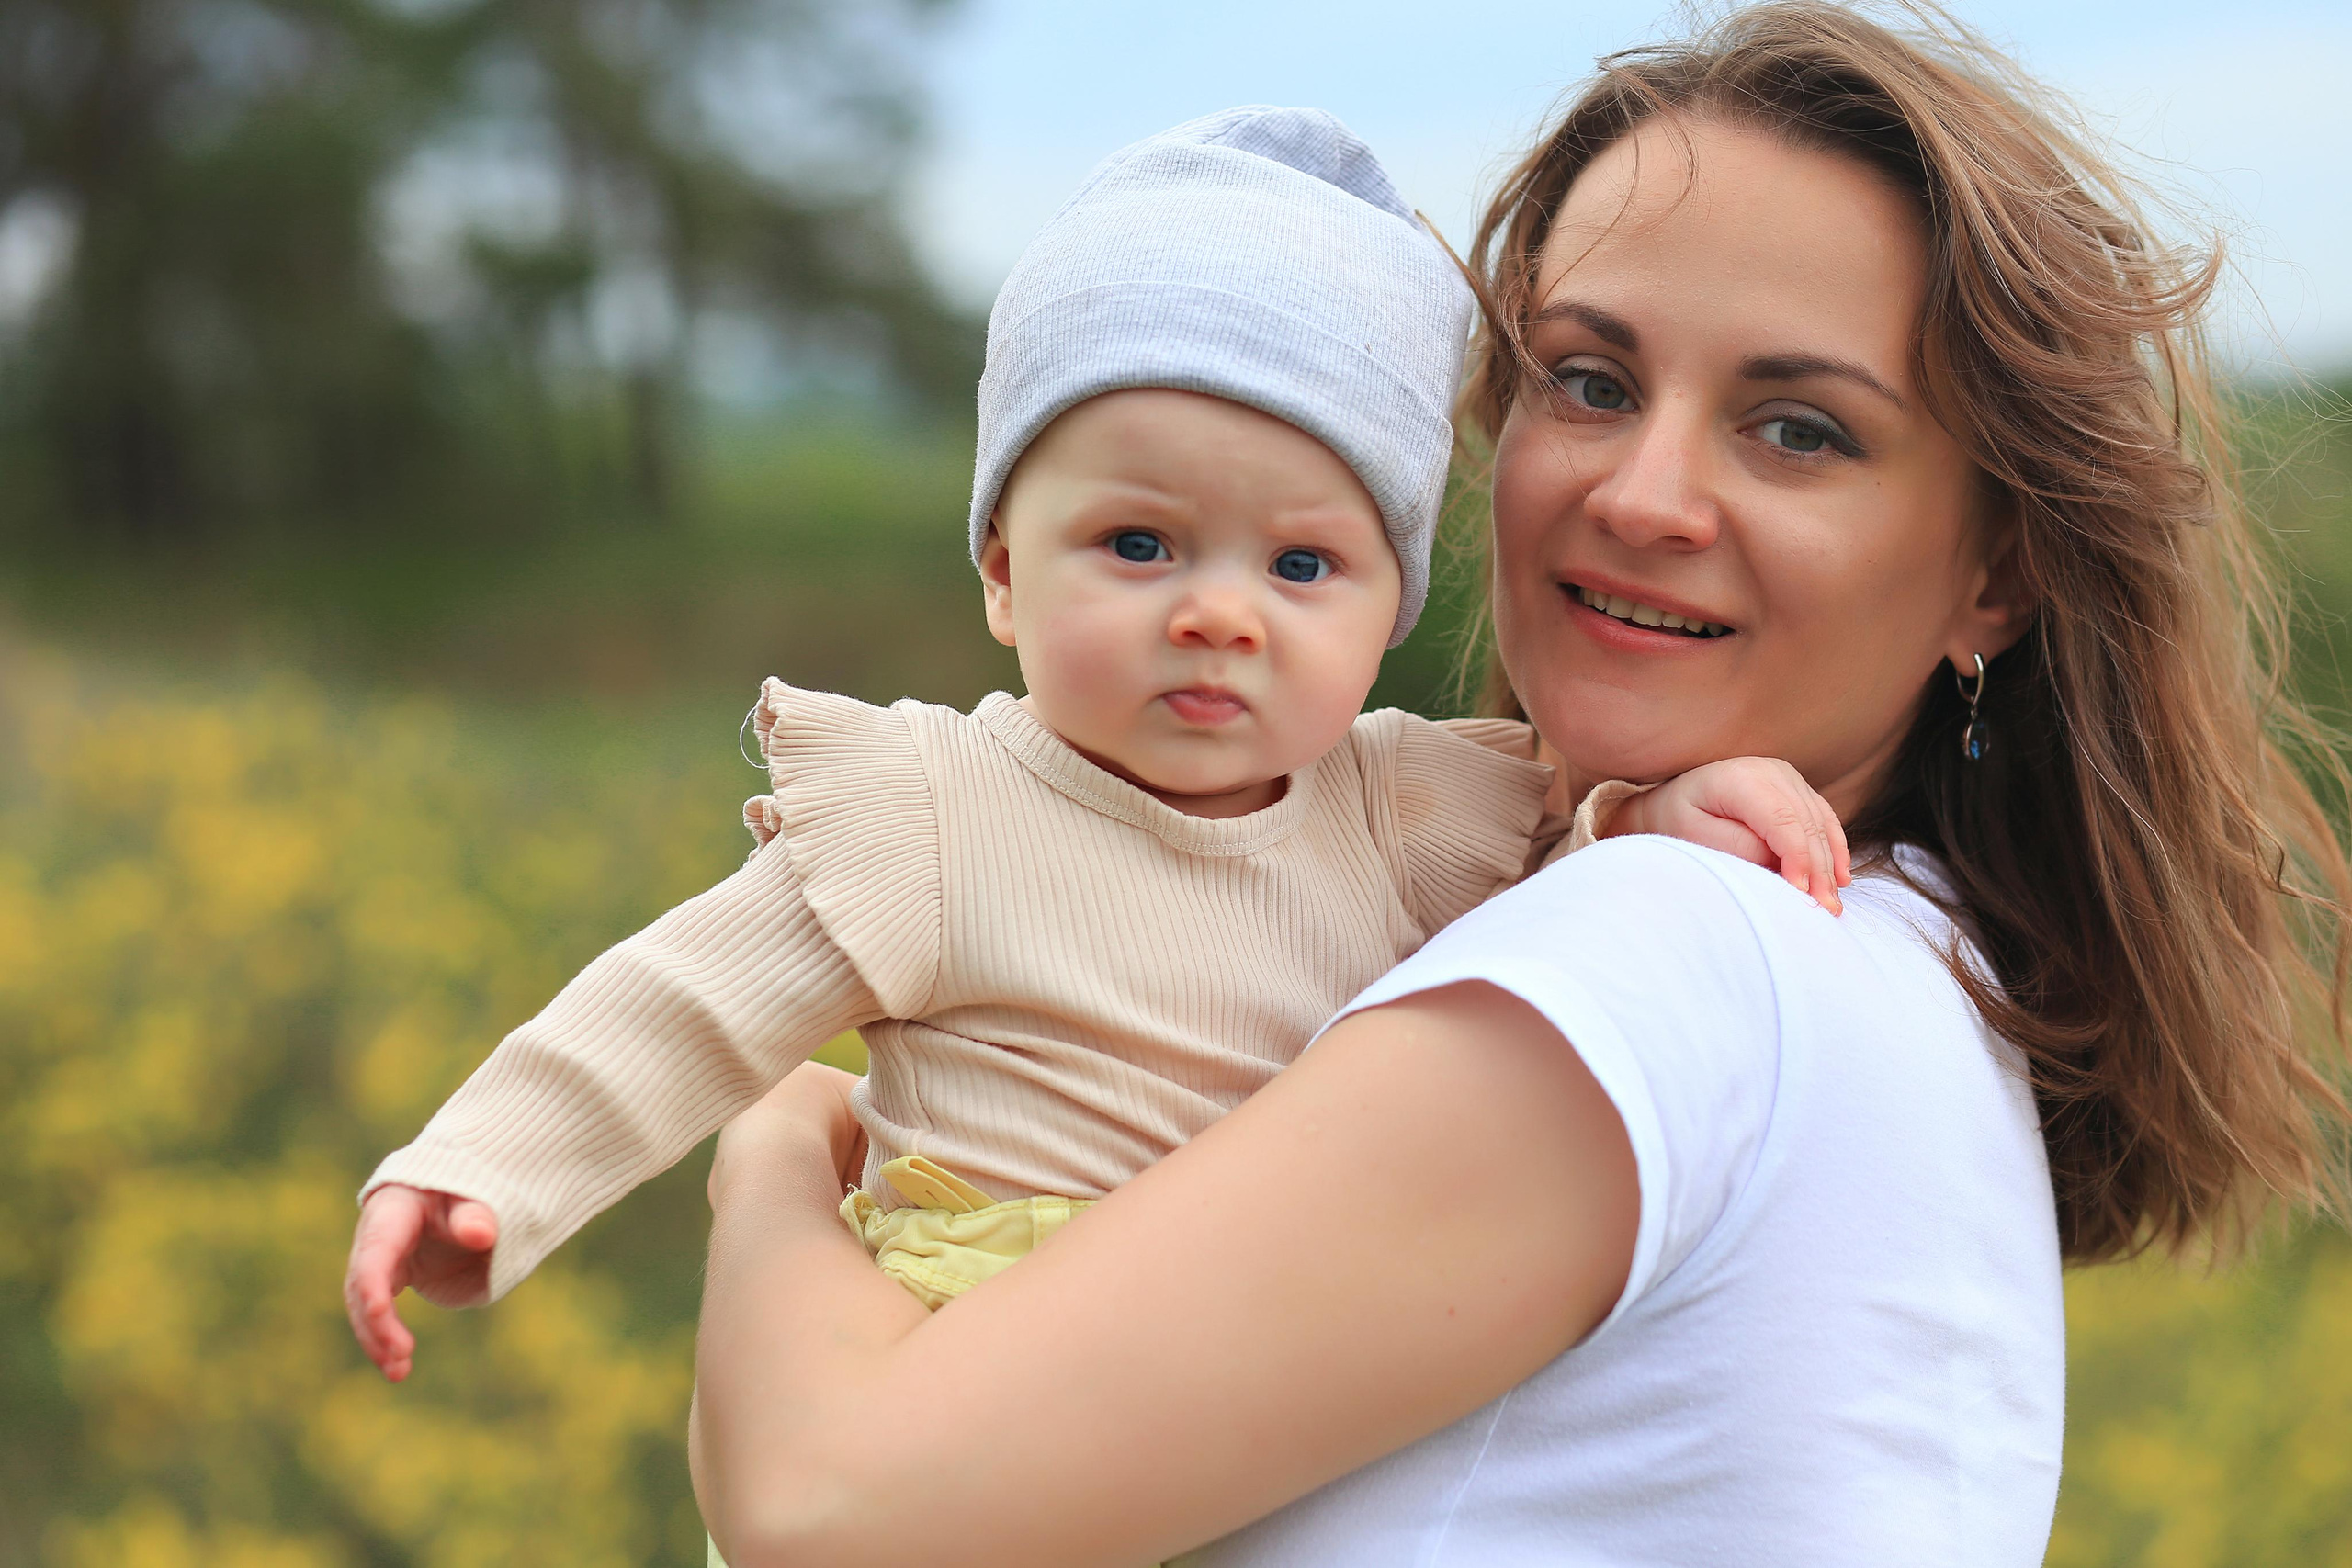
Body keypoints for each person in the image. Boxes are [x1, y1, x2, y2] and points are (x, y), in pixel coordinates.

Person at [685, 5, 2352, 1565]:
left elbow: (830, 1512)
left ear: (1997, 571)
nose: (1641, 494)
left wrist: (782, 1136)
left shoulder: (1670, 952)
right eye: (1593, 380)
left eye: (1799, 430)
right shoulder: (1908, 952)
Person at [341, 109, 1845, 1374]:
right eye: (1139, 544)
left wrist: (1667, 816)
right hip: (953, 1355)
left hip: (1263, 1390)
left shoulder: (1403, 811)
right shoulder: (930, 813)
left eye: (1302, 567)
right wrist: (479, 1178)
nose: (1218, 616)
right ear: (1001, 570)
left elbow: (1580, 878)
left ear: (1393, 606)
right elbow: (673, 1012)